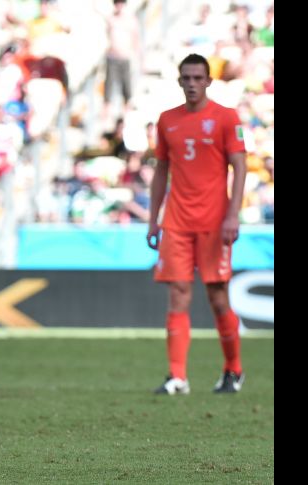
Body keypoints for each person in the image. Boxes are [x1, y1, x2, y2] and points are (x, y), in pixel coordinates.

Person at [147, 54, 247, 395]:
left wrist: (233, 214)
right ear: (179, 81)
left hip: (214, 222)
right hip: (176, 222)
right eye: (186, 78)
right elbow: (161, 171)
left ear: (208, 81)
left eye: (197, 78)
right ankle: (178, 377)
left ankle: (233, 370)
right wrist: (153, 219)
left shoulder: (225, 118)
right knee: (177, 295)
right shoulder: (166, 121)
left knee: (218, 298)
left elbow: (240, 166)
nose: (191, 83)